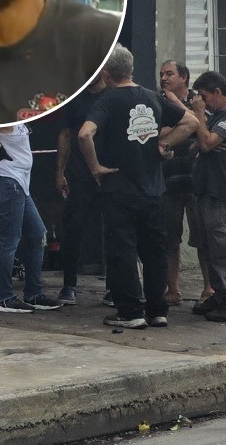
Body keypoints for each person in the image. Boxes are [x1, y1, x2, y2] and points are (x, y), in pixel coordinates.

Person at [78, 44, 198, 329]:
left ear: (106, 74)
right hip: (153, 189)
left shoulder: (107, 100)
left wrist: (95, 167)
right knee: (154, 251)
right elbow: (191, 121)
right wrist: (164, 144)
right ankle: (157, 310)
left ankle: (130, 311)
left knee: (122, 251)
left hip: (119, 189)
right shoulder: (152, 97)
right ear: (130, 69)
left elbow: (84, 134)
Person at [0, 123, 61, 312]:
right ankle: (3, 298)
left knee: (37, 234)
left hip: (19, 184)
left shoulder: (17, 119)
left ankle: (33, 294)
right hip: (7, 182)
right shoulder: (1, 114)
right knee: (10, 239)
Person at [54, 74, 106, 303]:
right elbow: (66, 134)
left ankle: (115, 286)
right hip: (80, 175)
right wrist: (60, 172)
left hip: (109, 174)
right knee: (73, 228)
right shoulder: (76, 99)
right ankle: (69, 285)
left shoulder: (113, 96)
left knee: (114, 229)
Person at [158, 60, 202, 306]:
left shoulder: (199, 99)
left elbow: (203, 127)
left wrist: (178, 109)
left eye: (169, 74)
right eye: (161, 74)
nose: (164, 78)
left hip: (197, 180)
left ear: (183, 77)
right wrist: (184, 124)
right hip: (169, 179)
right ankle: (173, 288)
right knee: (169, 237)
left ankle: (210, 289)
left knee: (203, 237)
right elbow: (156, 132)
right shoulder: (157, 101)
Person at [188, 70, 226, 322]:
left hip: (219, 192)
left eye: (204, 96)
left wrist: (200, 115)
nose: (202, 102)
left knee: (220, 246)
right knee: (210, 246)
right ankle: (219, 294)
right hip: (205, 190)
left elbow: (207, 143)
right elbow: (198, 146)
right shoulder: (215, 119)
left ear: (217, 92)